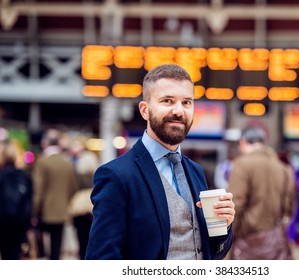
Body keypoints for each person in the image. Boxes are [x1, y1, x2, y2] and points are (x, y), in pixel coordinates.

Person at [85, 64, 235, 260]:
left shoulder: (196, 171)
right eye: (167, 101)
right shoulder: (117, 175)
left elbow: (209, 252)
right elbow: (102, 259)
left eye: (186, 102)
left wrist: (224, 224)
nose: (179, 111)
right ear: (145, 110)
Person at [227, 126, 295, 260]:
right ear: (264, 143)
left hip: (247, 242)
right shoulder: (284, 169)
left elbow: (235, 206)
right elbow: (289, 208)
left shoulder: (241, 164)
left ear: (242, 142)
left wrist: (227, 238)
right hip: (276, 243)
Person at [32, 129, 78, 260]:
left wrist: (34, 211)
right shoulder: (67, 163)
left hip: (45, 211)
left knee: (41, 247)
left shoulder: (42, 162)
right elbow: (73, 187)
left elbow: (38, 189)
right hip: (62, 210)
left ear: (45, 143)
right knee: (56, 246)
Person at [0, 141, 33, 260]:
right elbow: (29, 200)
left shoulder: (1, 175)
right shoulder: (24, 175)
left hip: (2, 222)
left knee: (5, 254)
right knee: (15, 254)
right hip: (19, 224)